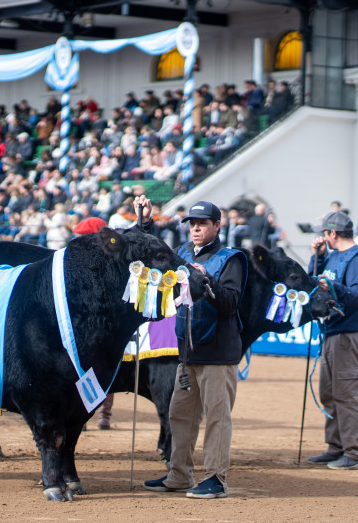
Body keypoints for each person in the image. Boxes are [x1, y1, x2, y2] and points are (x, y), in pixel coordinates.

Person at [140, 197, 247, 499]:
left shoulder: (232, 258)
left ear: (217, 225)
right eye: (192, 224)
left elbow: (229, 303)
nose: (196, 228)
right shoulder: (184, 253)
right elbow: (158, 257)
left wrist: (206, 279)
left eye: (202, 223)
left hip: (218, 353)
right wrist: (147, 223)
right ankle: (180, 474)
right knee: (179, 415)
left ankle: (216, 478)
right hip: (187, 351)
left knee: (216, 417)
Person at [307, 210, 358, 470]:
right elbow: (316, 278)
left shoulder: (356, 259)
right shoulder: (334, 256)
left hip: (347, 333)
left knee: (346, 395)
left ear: (332, 233)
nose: (323, 237)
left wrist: (332, 288)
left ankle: (355, 454)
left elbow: (357, 296)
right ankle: (336, 447)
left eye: (324, 233)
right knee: (329, 393)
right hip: (333, 332)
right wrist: (319, 257)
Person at [72, 216, 114, 429]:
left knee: (105, 370)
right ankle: (86, 415)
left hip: (104, 327)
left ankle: (103, 415)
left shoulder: (110, 261)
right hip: (83, 329)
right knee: (84, 371)